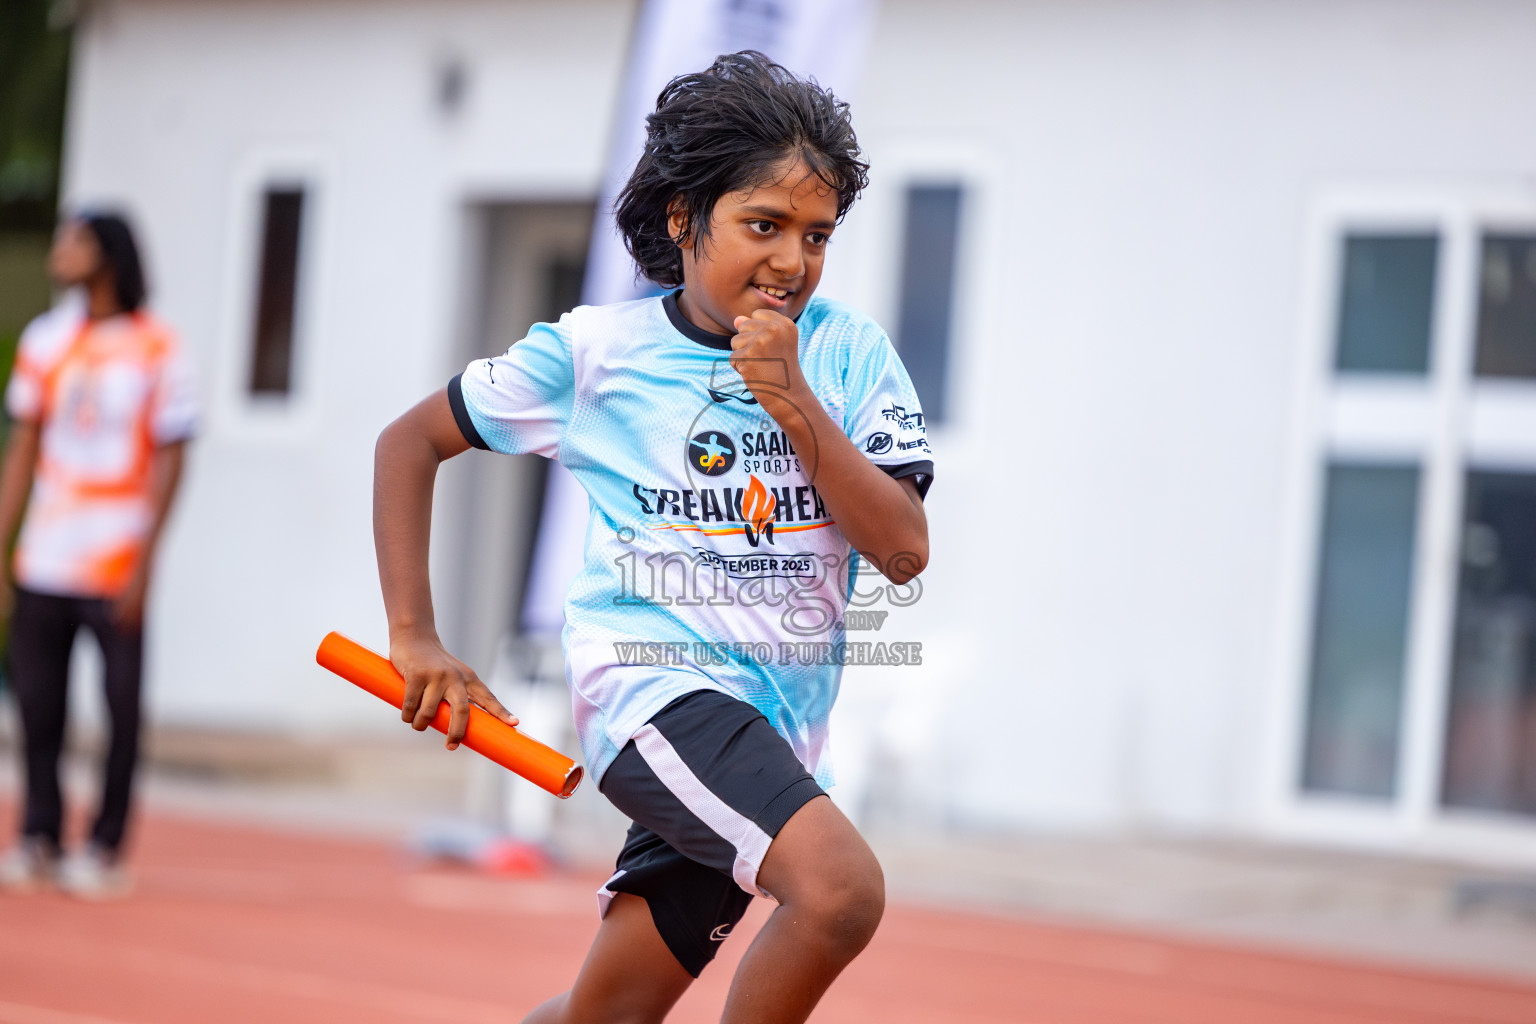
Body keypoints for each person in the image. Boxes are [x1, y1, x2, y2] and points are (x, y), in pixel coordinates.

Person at [373, 52, 933, 1023]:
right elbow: (409, 441)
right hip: (652, 694)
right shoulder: (596, 355)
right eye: (763, 225)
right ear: (683, 218)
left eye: (817, 234)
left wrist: (794, 401)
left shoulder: (847, 354)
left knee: (607, 1013)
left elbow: (903, 549)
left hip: (778, 730)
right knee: (840, 892)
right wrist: (416, 635)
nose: (792, 261)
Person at [0, 211, 197, 898]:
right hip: (46, 556)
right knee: (38, 707)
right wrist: (3, 548)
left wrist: (147, 560)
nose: (60, 252)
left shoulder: (158, 345)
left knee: (119, 710)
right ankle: (39, 834)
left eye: (74, 241)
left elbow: (173, 457)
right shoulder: (45, 340)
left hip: (116, 560)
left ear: (108, 255)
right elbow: (23, 449)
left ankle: (106, 844)